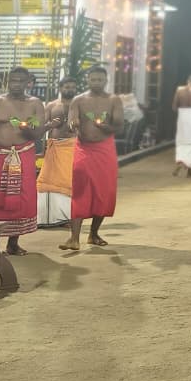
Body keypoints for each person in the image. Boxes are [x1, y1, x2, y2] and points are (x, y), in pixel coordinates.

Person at [0, 66, 46, 255]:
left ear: (28, 82)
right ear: (7, 82)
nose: (16, 84)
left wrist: (26, 128)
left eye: (20, 81)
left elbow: (39, 133)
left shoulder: (35, 104)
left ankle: (13, 243)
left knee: (22, 197)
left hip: (24, 153)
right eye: (13, 81)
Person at [63, 66, 124, 250]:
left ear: (106, 81)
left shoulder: (113, 100)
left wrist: (106, 127)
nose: (96, 82)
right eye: (93, 79)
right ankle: (74, 238)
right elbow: (71, 121)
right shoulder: (79, 100)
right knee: (80, 189)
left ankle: (94, 234)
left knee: (104, 192)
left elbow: (119, 126)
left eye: (100, 79)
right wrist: (73, 124)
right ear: (87, 80)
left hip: (105, 149)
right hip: (83, 148)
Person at [37, 76, 79, 227]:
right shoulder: (52, 106)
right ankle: (50, 218)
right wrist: (51, 125)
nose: (70, 90)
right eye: (67, 87)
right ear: (60, 88)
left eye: (72, 87)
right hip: (55, 148)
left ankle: (67, 217)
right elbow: (40, 127)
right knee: (49, 182)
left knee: (70, 182)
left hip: (73, 147)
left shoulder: (79, 105)